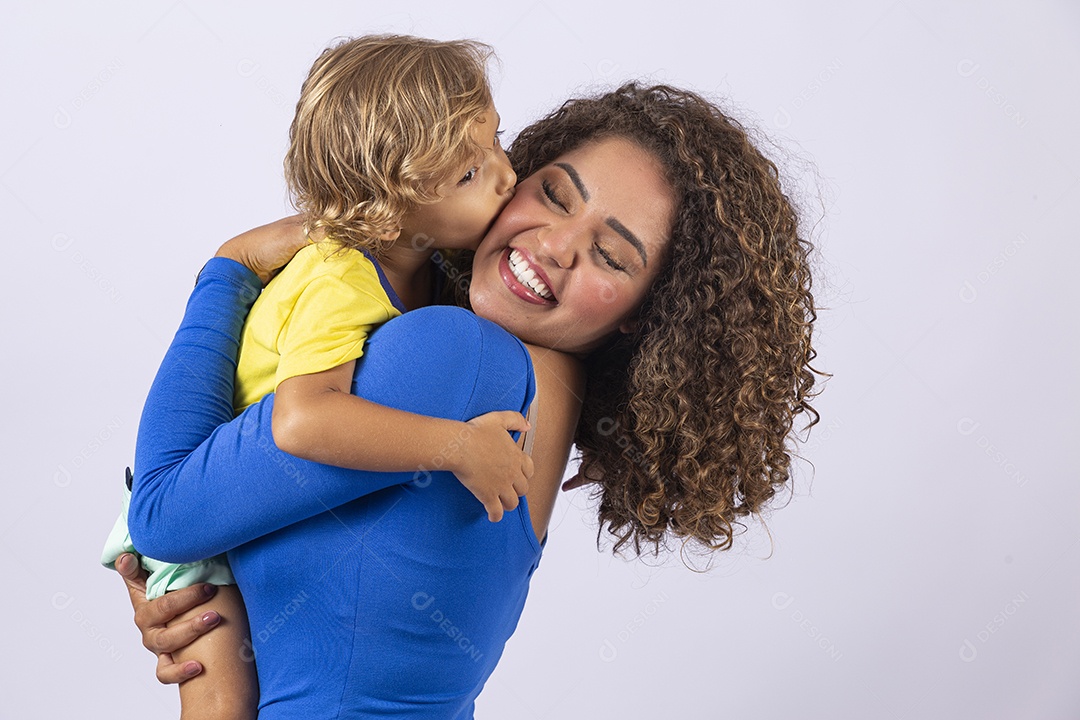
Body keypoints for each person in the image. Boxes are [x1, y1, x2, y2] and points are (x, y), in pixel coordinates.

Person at [118, 83, 821, 718]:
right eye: (553, 194)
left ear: (647, 313)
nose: (555, 246)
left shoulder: (455, 359)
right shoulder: (534, 391)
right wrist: (204, 606)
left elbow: (162, 511)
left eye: (611, 255)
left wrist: (227, 269)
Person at [100, 34, 527, 719]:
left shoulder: (424, 275)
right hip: (205, 526)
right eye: (471, 175)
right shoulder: (343, 277)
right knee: (221, 704)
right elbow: (303, 420)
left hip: (249, 510)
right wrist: (458, 447)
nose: (507, 176)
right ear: (395, 199)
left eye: (497, 143)